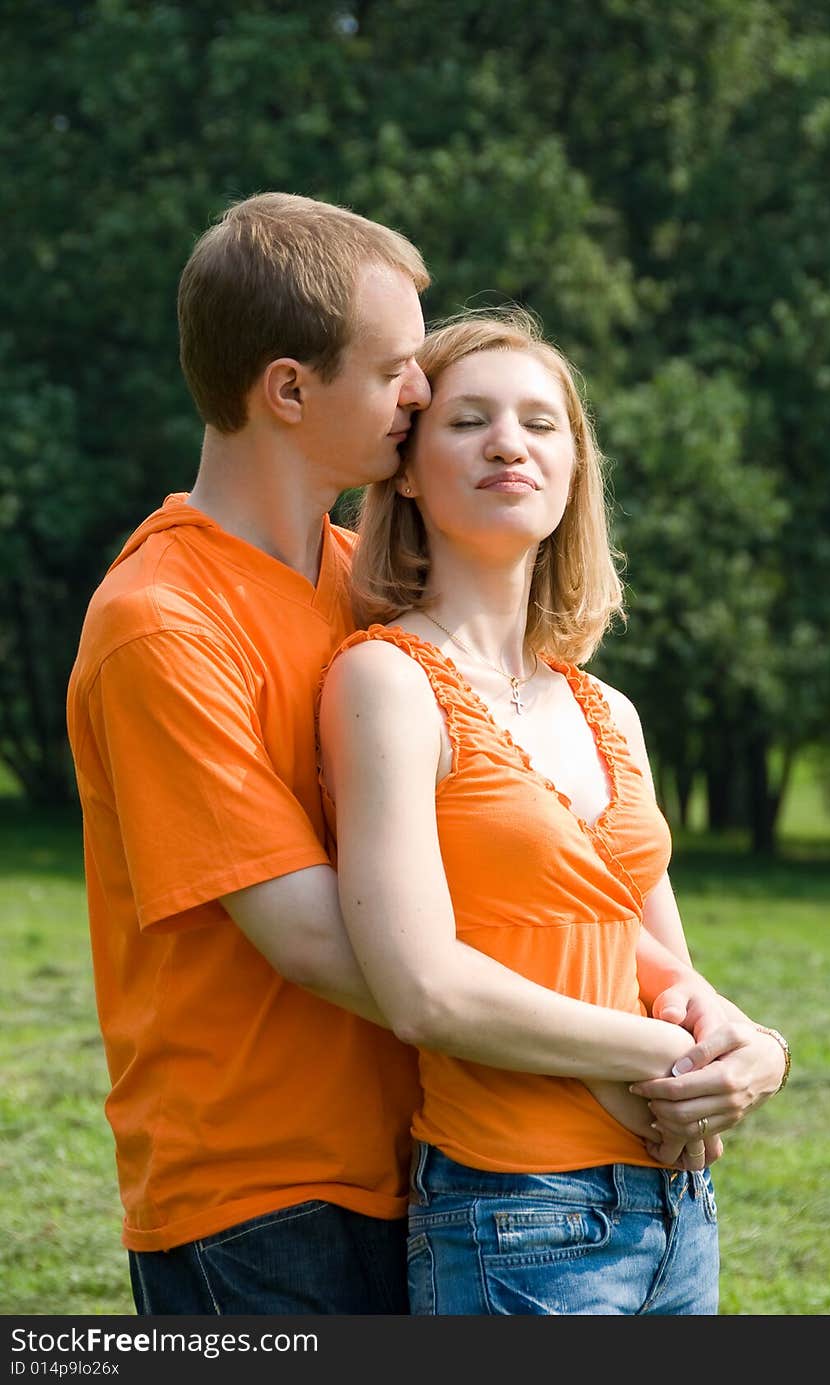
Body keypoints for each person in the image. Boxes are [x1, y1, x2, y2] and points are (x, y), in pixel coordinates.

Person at [317, 307, 791, 1315]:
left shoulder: (603, 706)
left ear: (574, 467)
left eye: (541, 423)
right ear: (404, 467)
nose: (507, 443)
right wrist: (665, 1056)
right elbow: (423, 989)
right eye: (467, 420)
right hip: (515, 1215)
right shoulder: (384, 679)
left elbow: (661, 966)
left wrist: (750, 1044)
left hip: (674, 1206)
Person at [65, 191, 434, 1314]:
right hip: (259, 1205)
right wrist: (580, 1026)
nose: (425, 392)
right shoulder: (158, 623)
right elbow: (314, 938)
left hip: (407, 1165)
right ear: (287, 387)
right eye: (395, 370)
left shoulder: (358, 581)